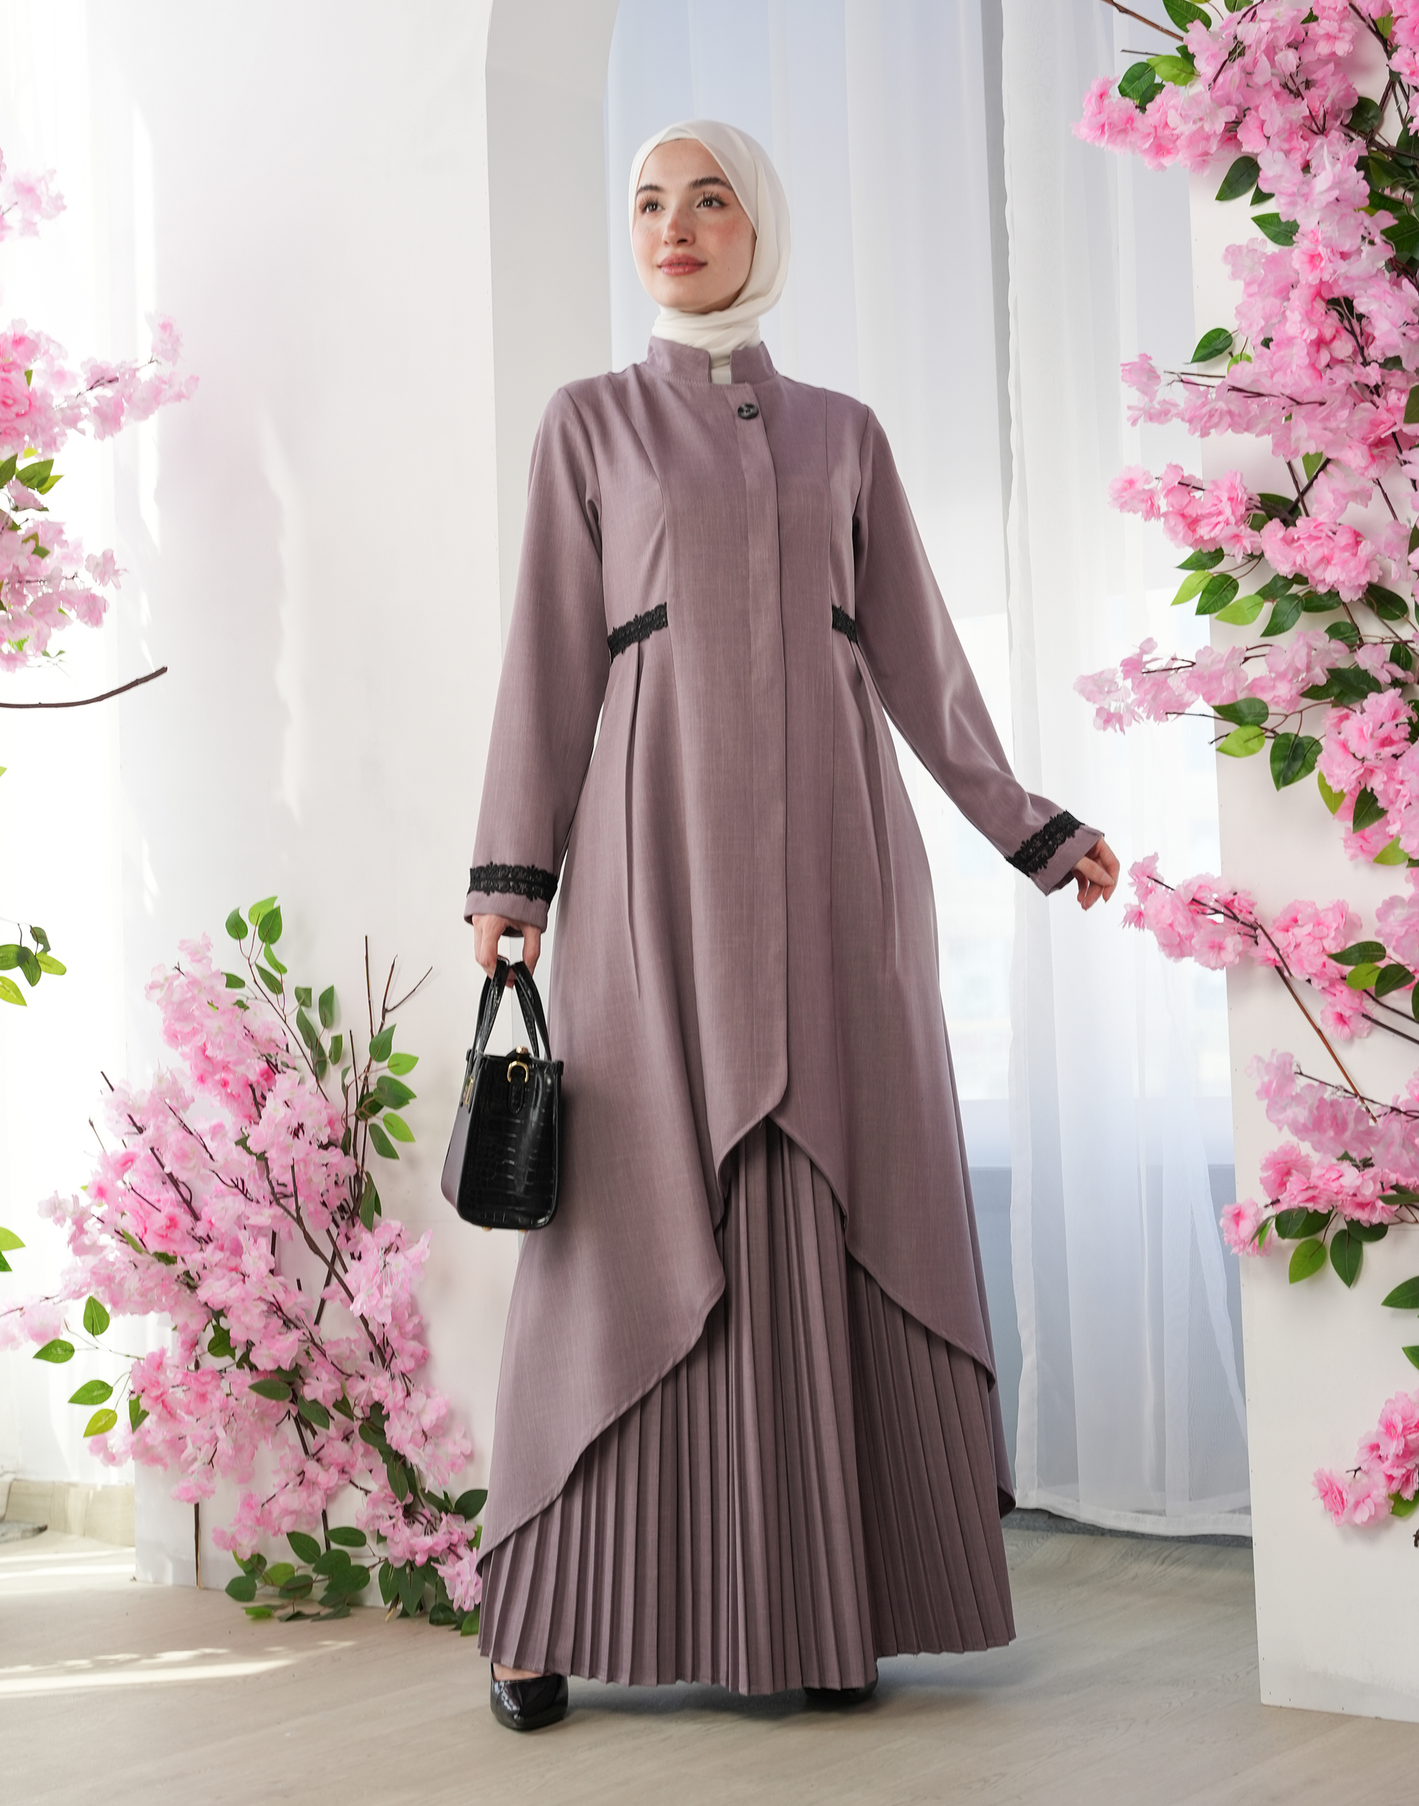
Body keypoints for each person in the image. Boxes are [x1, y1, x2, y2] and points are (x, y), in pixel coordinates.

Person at [466, 119, 1118, 1733]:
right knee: (626, 1211)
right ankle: (542, 1619)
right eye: (648, 202)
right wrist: (512, 882)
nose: (674, 226)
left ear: (760, 226)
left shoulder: (845, 433)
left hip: (836, 868)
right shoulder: (590, 424)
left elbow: (921, 663)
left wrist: (1036, 831)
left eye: (710, 199)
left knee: (831, 1185)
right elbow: (547, 661)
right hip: (653, 869)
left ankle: (829, 1605)